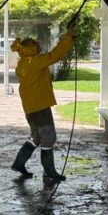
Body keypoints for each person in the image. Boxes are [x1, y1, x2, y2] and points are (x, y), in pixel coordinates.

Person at [10, 24, 77, 183]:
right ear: (30, 48)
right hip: (40, 106)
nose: (39, 45)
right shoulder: (34, 61)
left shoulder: (23, 63)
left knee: (36, 136)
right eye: (35, 44)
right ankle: (49, 172)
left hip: (30, 108)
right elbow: (55, 55)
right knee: (48, 137)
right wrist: (68, 38)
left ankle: (19, 163)